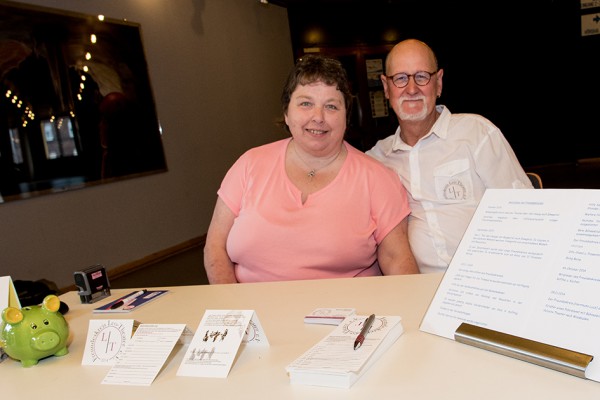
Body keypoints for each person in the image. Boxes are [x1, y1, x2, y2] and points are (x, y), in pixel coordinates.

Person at [204, 54, 419, 284]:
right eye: (306, 103)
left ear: (347, 117)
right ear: (287, 113)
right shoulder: (248, 164)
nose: (318, 117)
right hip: (254, 316)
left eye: (331, 106)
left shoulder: (377, 178)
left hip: (346, 315)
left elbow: (398, 260)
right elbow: (215, 248)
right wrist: (233, 313)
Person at [366, 39, 533, 274]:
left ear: (439, 83)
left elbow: (525, 212)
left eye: (422, 76)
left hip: (489, 277)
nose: (411, 89)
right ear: (386, 87)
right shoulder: (377, 160)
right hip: (418, 290)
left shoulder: (477, 133)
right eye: (401, 78)